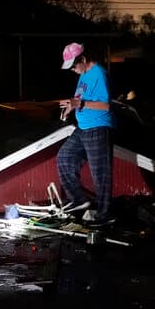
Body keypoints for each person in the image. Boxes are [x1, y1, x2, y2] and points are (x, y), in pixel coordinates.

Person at [57, 42, 115, 227]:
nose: (73, 70)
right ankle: (78, 199)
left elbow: (105, 105)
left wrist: (79, 104)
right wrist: (71, 107)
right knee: (64, 157)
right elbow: (80, 99)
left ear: (83, 59)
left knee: (100, 173)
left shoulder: (98, 74)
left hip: (98, 127)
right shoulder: (83, 75)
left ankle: (105, 215)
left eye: (74, 66)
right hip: (83, 128)